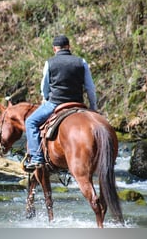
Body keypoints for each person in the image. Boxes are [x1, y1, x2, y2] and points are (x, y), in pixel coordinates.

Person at [25, 34, 97, 170]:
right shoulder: (81, 62)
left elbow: (44, 87)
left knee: (30, 122)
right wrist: (93, 107)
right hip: (78, 103)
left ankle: (36, 158)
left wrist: (46, 98)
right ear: (69, 47)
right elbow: (90, 88)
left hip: (55, 103)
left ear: (54, 49)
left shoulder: (50, 63)